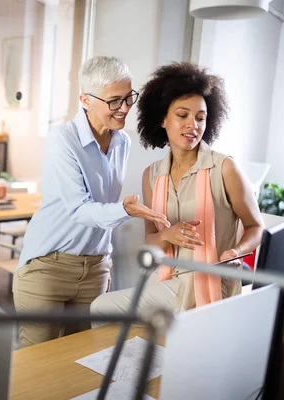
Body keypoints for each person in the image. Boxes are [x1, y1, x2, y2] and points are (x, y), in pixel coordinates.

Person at [13, 56, 170, 348]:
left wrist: (104, 260)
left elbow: (105, 202)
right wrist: (125, 210)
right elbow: (79, 209)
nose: (124, 108)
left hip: (95, 268)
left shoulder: (122, 142)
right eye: (114, 101)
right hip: (48, 266)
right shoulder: (63, 140)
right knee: (36, 366)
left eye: (128, 98)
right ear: (85, 99)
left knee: (80, 360)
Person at [90, 62, 264, 318]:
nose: (192, 125)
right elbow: (151, 240)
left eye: (200, 118)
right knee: (112, 316)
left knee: (101, 308)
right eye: (182, 115)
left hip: (211, 281)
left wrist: (235, 252)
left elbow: (256, 226)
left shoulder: (224, 168)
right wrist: (168, 234)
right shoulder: (152, 175)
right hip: (167, 279)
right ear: (162, 119)